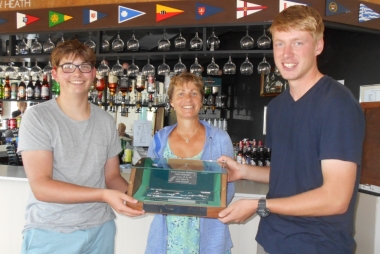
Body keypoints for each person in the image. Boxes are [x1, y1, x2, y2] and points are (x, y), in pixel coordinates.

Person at [218, 5, 365, 254]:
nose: (287, 54)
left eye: (298, 43)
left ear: (318, 46)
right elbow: (291, 171)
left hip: (317, 244)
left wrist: (260, 204)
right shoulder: (277, 107)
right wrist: (243, 171)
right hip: (272, 238)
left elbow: (336, 199)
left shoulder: (338, 105)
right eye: (279, 43)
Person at [17, 40, 144, 254]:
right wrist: (103, 195)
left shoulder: (105, 120)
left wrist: (139, 198)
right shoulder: (38, 117)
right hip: (53, 232)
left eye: (84, 67)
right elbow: (41, 187)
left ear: (93, 73)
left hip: (100, 229)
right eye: (68, 66)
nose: (77, 74)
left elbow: (111, 177)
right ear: (55, 74)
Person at [145, 72, 235, 254]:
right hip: (168, 235)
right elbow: (149, 183)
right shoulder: (160, 139)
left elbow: (229, 186)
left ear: (201, 100)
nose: (188, 98)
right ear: (171, 101)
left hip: (209, 233)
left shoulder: (220, 138)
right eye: (181, 93)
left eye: (194, 93)